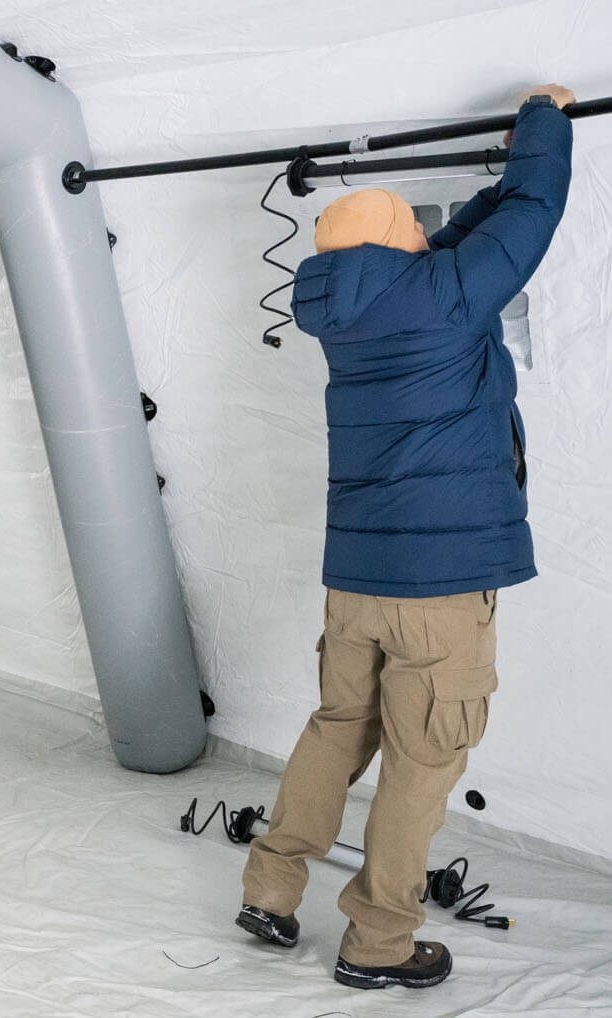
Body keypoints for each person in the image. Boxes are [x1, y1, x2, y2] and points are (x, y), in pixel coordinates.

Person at [236, 85, 574, 990]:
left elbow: (461, 247)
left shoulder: (345, 315)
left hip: (355, 580)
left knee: (334, 727)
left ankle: (268, 888)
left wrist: (483, 195)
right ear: (404, 247)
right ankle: (379, 944)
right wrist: (543, 118)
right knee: (421, 763)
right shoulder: (442, 295)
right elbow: (534, 212)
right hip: (438, 584)